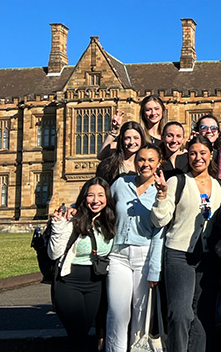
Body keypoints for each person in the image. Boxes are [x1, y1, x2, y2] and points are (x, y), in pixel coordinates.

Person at [151, 136, 221, 352]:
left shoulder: (219, 185)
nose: (197, 158)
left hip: (208, 257)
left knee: (203, 315)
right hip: (179, 254)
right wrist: (162, 196)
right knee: (180, 314)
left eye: (203, 153)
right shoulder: (178, 181)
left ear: (211, 155)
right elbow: (160, 220)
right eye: (193, 153)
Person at [106, 144, 165, 352]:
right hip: (118, 255)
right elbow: (105, 212)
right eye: (141, 159)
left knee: (142, 313)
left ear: (159, 163)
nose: (145, 164)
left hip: (145, 255)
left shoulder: (162, 190)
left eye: (151, 160)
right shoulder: (121, 184)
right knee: (117, 312)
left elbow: (160, 231)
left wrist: (155, 269)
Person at [48, 177, 116, 352]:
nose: (96, 200)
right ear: (84, 197)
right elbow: (53, 253)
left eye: (101, 195)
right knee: (78, 334)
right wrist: (58, 226)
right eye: (91, 195)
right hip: (69, 282)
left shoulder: (110, 221)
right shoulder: (73, 218)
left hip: (96, 284)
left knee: (82, 333)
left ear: (107, 197)